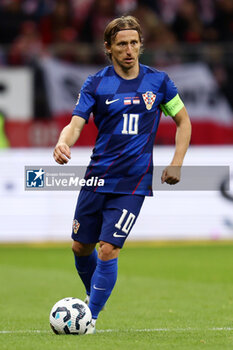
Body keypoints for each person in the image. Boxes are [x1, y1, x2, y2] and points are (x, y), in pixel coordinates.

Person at [53, 15, 192, 333]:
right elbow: (76, 123)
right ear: (108, 48)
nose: (129, 49)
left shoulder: (159, 82)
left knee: (108, 248)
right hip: (97, 176)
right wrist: (63, 142)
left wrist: (177, 162)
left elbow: (184, 121)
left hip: (133, 180)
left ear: (141, 45)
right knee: (80, 247)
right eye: (121, 44)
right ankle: (92, 295)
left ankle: (90, 317)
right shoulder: (96, 83)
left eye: (134, 43)